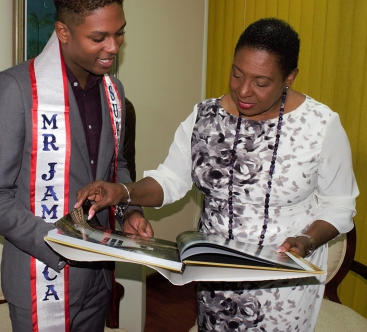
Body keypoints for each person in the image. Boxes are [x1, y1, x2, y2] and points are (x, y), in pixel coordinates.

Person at [75, 18, 358, 331]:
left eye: (261, 82)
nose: (243, 90)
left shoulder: (321, 126)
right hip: (214, 276)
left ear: (289, 77)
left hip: (283, 284)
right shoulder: (205, 117)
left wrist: (306, 240)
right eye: (237, 74)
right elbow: (170, 180)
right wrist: (123, 192)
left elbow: (339, 205)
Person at [0, 0, 153, 332]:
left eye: (119, 34)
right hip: (42, 273)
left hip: (99, 276)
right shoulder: (14, 90)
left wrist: (129, 208)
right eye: (99, 37)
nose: (114, 47)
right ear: (64, 32)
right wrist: (58, 243)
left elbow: (116, 166)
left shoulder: (113, 92)